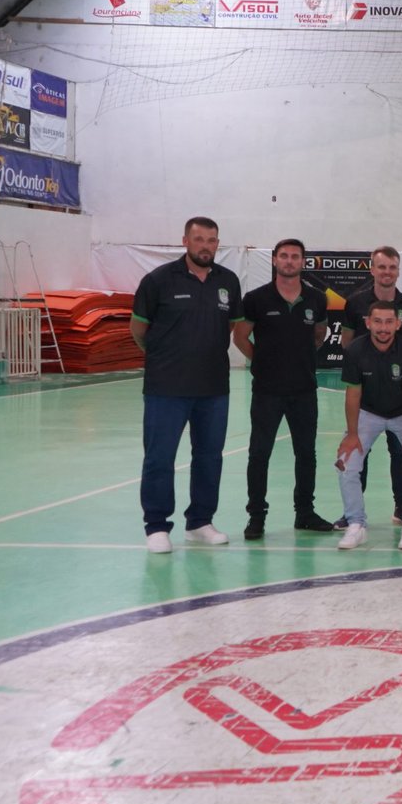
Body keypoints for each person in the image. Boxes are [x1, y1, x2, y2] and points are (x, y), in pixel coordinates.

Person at [130, 217, 244, 553]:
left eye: (211, 240)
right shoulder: (158, 281)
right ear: (185, 241)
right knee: (159, 458)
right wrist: (167, 357)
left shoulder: (228, 281)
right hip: (165, 388)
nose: (205, 245)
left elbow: (230, 329)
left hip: (213, 387)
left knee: (209, 457)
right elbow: (139, 330)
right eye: (199, 239)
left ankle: (200, 522)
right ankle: (156, 526)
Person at [233, 238, 331, 540]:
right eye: (284, 256)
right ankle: (257, 517)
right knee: (260, 454)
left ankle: (304, 513)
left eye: (295, 257)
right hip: (267, 391)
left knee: (306, 454)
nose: (289, 261)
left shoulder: (316, 298)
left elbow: (318, 335)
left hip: (304, 390)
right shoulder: (255, 298)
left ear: (303, 262)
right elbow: (240, 338)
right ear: (275, 260)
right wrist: (262, 361)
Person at [334, 301, 402, 551]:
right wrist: (352, 434)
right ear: (368, 323)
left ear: (398, 324)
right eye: (377, 322)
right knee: (346, 462)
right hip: (368, 412)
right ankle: (356, 524)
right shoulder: (355, 350)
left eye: (389, 322)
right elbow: (352, 395)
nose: (383, 328)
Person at [338, 245, 402, 529]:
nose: (387, 272)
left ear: (398, 271)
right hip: (367, 396)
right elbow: (347, 342)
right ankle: (353, 512)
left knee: (400, 453)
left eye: (392, 267)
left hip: (399, 398)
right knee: (357, 451)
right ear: (372, 269)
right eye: (382, 267)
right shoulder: (355, 302)